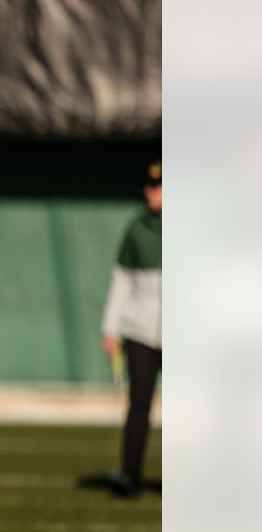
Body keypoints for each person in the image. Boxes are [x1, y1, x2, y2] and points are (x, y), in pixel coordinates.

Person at [101, 161, 162, 498]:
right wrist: (111, 327)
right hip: (140, 331)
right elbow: (122, 281)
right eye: (148, 186)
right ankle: (130, 474)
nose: (150, 192)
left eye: (158, 186)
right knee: (139, 403)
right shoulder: (137, 229)